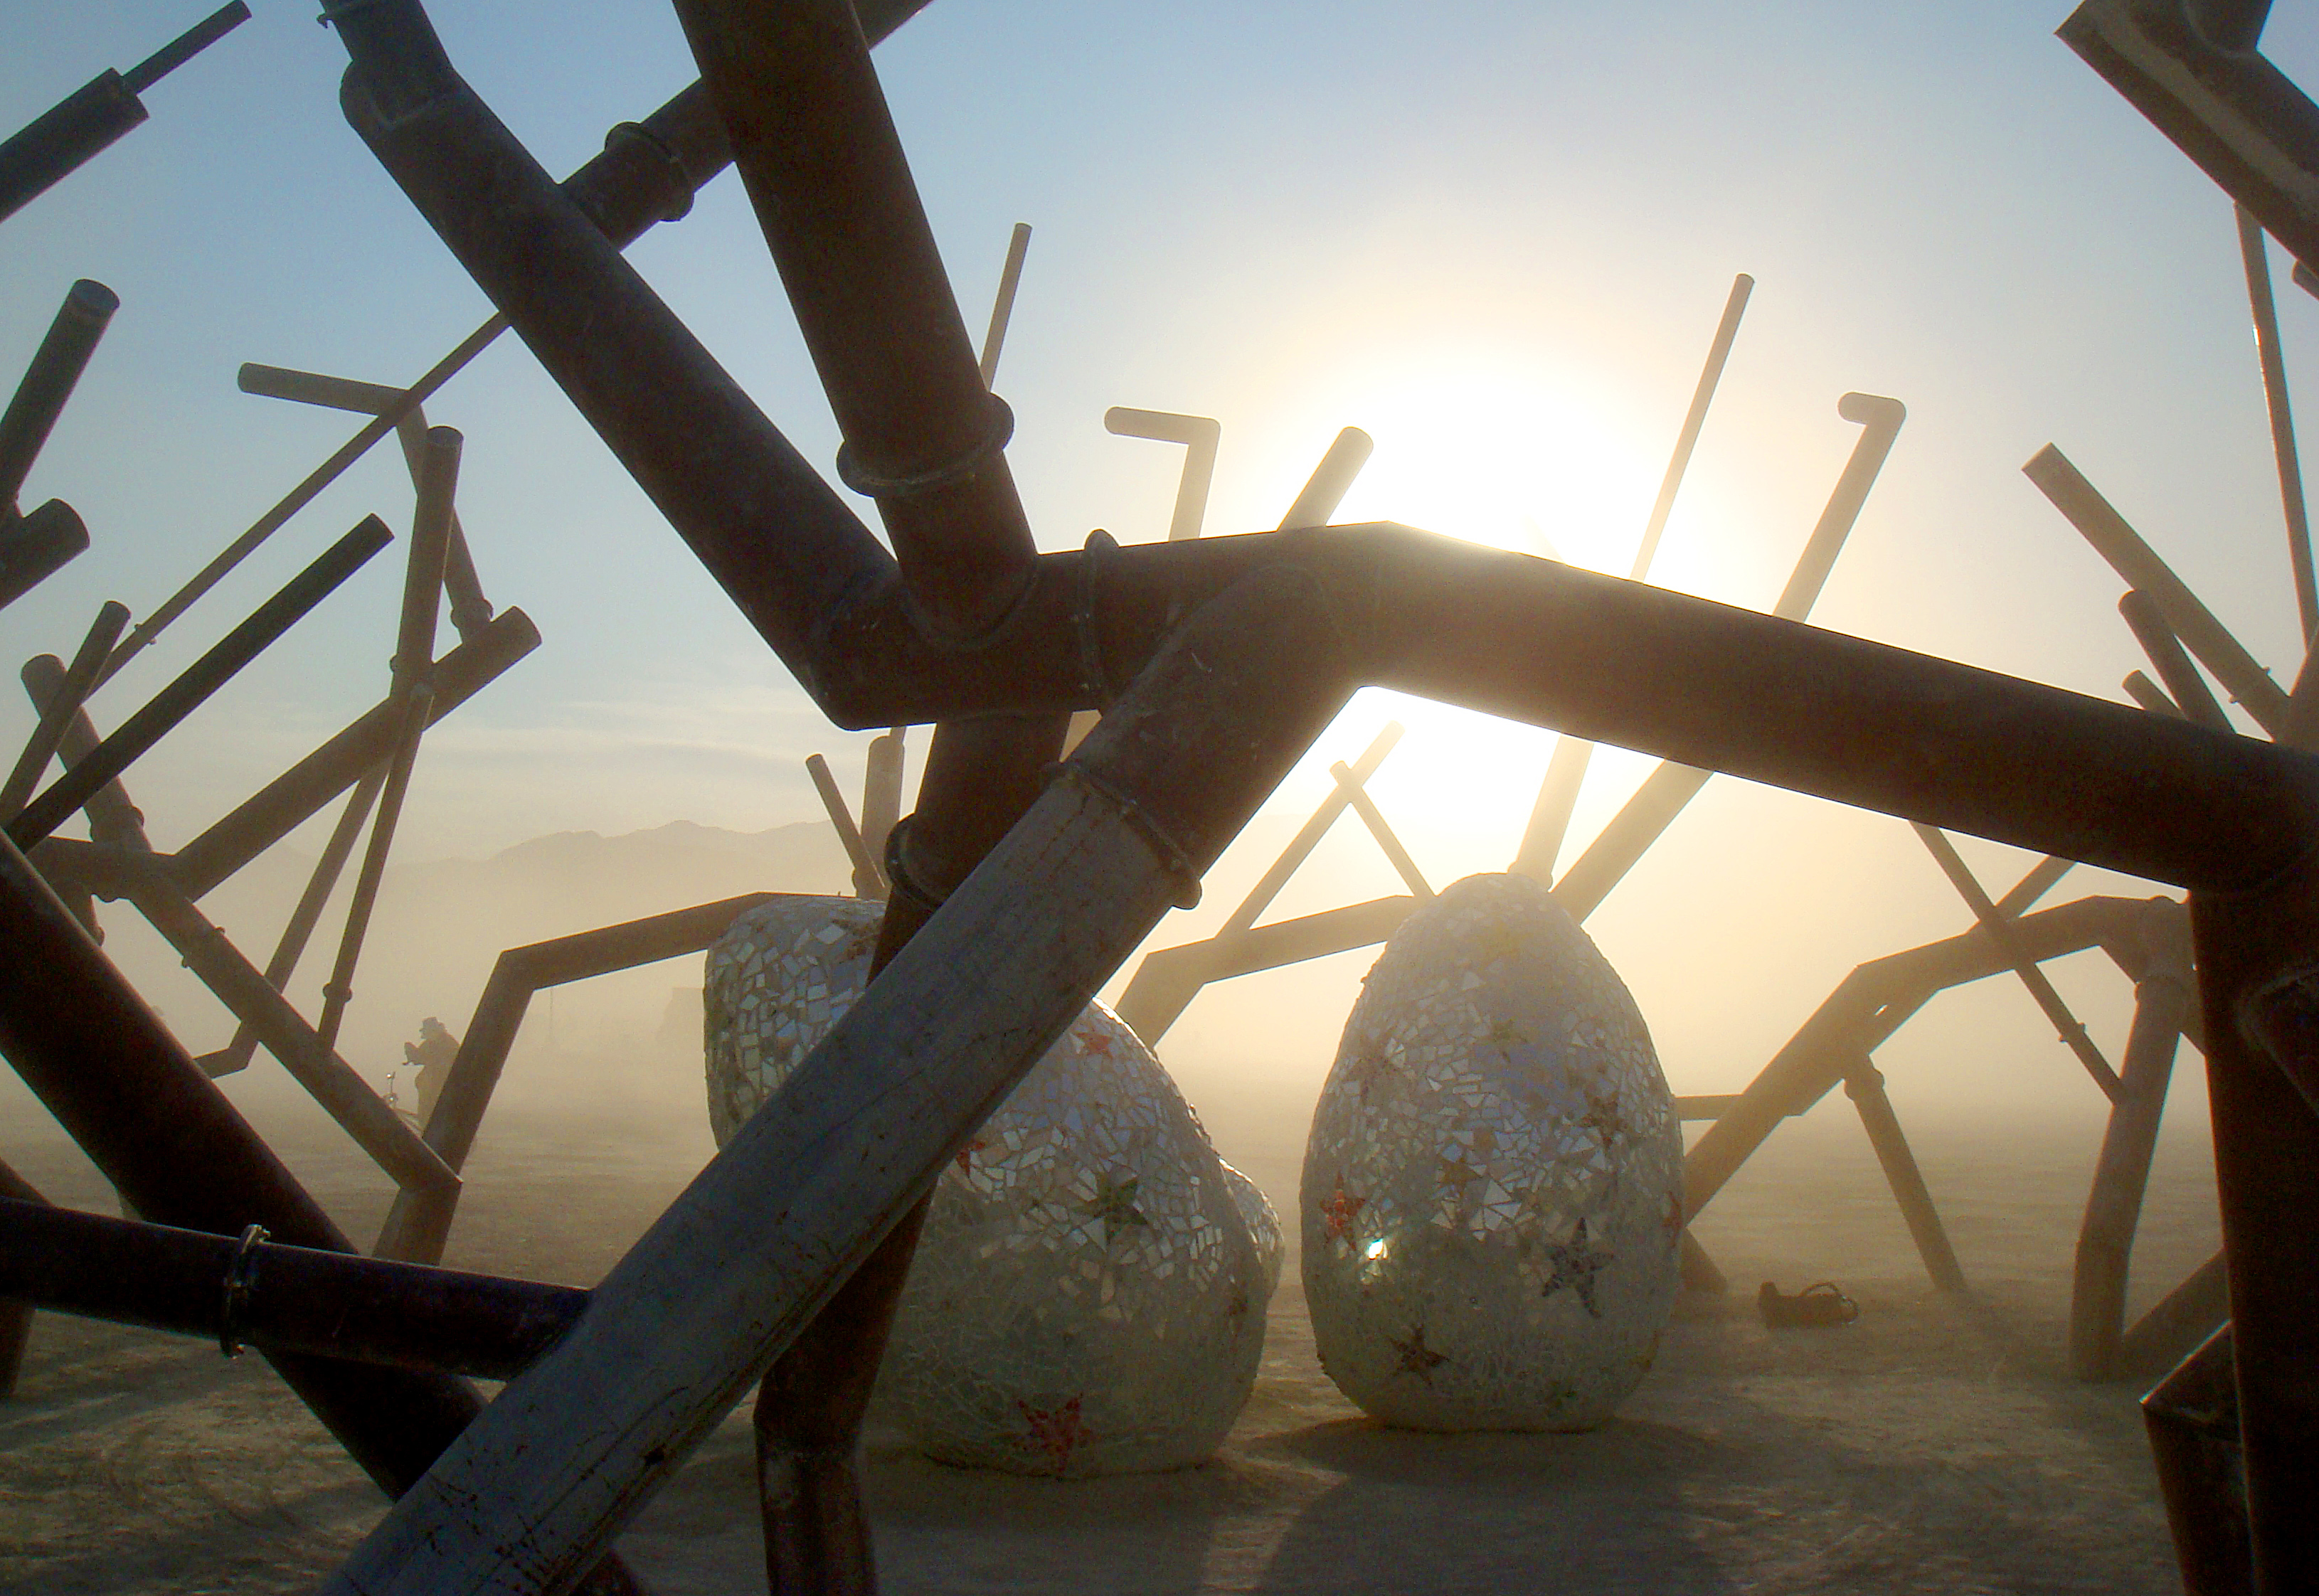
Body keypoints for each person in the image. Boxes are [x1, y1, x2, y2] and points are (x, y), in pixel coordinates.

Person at [402, 1016, 458, 1124]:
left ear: (433, 1030)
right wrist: (411, 1052)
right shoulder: (430, 1043)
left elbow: (446, 1061)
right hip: (430, 1087)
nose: (425, 1035)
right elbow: (419, 1058)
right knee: (426, 1114)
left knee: (435, 1114)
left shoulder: (448, 1043)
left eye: (426, 1032)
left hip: (443, 1086)